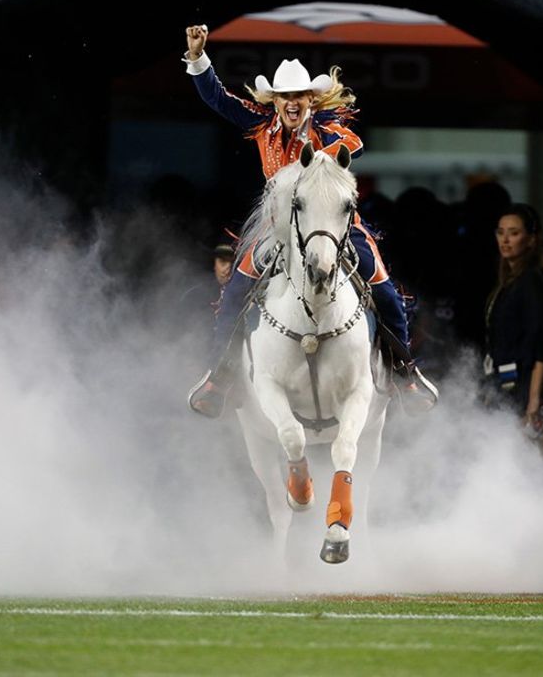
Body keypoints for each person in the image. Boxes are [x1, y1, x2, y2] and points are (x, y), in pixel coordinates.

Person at [180, 24, 437, 418]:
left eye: (299, 96)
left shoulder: (327, 128)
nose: (292, 103)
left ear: (310, 100)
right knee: (234, 292)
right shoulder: (260, 123)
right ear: (276, 101)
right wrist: (198, 58)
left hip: (334, 225)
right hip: (277, 228)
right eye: (285, 97)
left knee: (383, 287)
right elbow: (218, 98)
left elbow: (355, 143)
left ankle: (405, 373)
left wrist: (317, 154)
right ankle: (221, 375)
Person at [482, 205, 543, 431]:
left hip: (525, 386)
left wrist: (534, 399)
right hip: (507, 384)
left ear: (531, 239)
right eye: (500, 232)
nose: (505, 240)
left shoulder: (533, 281)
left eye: (514, 233)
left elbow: (542, 343)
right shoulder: (509, 283)